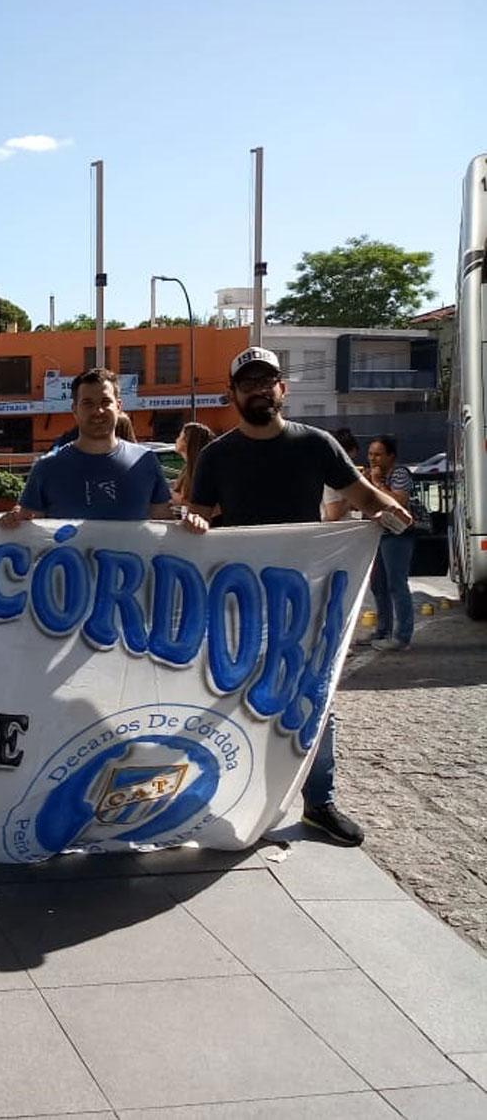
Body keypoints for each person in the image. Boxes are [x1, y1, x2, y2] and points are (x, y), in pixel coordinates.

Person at [186, 347, 414, 847]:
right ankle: (227, 798)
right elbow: (197, 510)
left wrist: (393, 515)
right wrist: (197, 519)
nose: (259, 389)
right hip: (238, 604)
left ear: (282, 389)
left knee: (315, 699)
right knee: (230, 699)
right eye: (248, 383)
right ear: (234, 395)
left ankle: (319, 802)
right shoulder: (218, 455)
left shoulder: (316, 445)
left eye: (268, 380)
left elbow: (361, 495)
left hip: (308, 599)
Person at [0, 368, 207, 532]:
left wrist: (189, 524)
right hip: (66, 584)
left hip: (132, 584)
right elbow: (28, 532)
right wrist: (11, 523)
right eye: (88, 403)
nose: (97, 411)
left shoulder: (146, 461)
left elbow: (163, 524)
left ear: (119, 406)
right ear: (74, 410)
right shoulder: (47, 467)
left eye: (105, 402)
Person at [365, 434, 417, 651]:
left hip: (398, 535)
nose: (373, 459)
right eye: (370, 454)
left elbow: (399, 502)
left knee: (397, 584)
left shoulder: (399, 474)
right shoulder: (370, 475)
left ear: (391, 456)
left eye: (378, 454)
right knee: (378, 584)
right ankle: (382, 629)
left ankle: (402, 636)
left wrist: (376, 483)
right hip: (379, 533)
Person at [170, 421, 213, 508]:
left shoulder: (202, 469)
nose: (176, 439)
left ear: (187, 442)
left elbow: (202, 503)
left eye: (180, 436)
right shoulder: (187, 467)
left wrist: (175, 497)